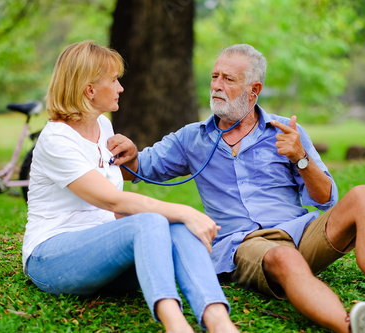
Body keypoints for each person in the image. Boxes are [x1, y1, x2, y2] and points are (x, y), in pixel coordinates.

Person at [109, 44, 365, 333]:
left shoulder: (286, 132)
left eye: (229, 80)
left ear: (254, 89)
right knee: (284, 258)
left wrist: (300, 157)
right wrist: (126, 152)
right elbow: (140, 167)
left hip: (302, 232)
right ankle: (353, 328)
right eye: (214, 77)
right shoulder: (192, 138)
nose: (217, 85)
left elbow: (326, 199)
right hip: (245, 243)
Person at [22, 40, 239, 333]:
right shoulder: (56, 140)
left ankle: (219, 321)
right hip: (51, 258)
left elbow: (112, 213)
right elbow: (112, 201)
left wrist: (175, 223)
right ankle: (175, 325)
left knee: (176, 229)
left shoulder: (104, 128)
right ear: (89, 90)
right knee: (152, 221)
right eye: (113, 81)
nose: (120, 88)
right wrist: (186, 211)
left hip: (103, 257)